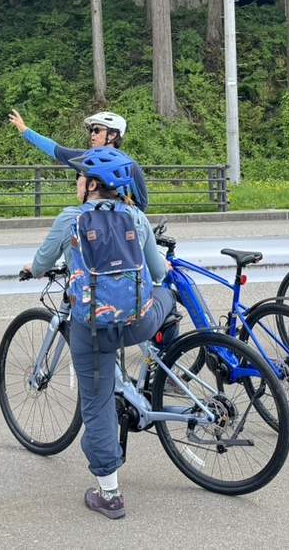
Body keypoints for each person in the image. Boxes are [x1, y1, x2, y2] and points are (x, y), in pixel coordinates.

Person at [19, 146, 173, 521]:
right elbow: (159, 273)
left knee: (97, 403)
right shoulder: (136, 217)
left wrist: (32, 268)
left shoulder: (69, 220)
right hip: (139, 323)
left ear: (90, 185)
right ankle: (166, 358)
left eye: (79, 179)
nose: (77, 184)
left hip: (94, 329)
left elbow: (41, 264)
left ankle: (110, 494)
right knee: (166, 297)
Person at [9, 108, 150, 212]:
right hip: (92, 222)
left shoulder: (130, 166)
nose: (92, 135)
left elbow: (142, 204)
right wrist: (25, 130)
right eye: (91, 130)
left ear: (112, 135)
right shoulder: (87, 158)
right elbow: (55, 149)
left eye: (97, 130)